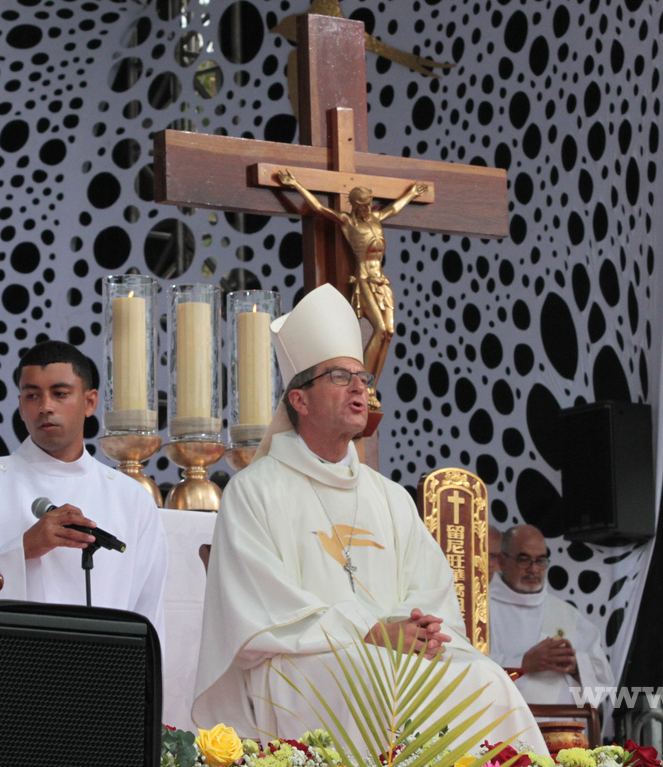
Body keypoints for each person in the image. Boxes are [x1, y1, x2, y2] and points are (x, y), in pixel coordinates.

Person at [194, 283, 544, 750]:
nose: (360, 388)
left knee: (487, 680)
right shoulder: (253, 491)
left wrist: (416, 629)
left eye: (363, 378)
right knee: (368, 673)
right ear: (299, 400)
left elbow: (432, 589)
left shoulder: (390, 497)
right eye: (340, 377)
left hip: (396, 658)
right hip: (304, 662)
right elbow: (260, 613)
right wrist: (371, 632)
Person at [0, 341, 167, 637]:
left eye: (60, 393)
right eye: (32, 395)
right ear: (20, 406)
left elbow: (149, 610)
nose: (45, 407)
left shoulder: (131, 499)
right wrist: (23, 549)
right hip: (2, 668)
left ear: (90, 402)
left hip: (109, 671)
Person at [275, 169, 427, 409]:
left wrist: (411, 193)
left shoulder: (376, 219)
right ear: (355, 205)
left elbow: (395, 208)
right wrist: (295, 184)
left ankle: (371, 386)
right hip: (364, 280)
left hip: (381, 281)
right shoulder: (347, 222)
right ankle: (362, 382)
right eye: (362, 205)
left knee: (389, 332)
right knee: (379, 328)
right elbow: (319, 208)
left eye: (368, 204)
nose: (367, 209)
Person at [487, 526, 614, 715]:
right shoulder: (480, 609)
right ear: (502, 560)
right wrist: (522, 664)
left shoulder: (567, 614)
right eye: (524, 560)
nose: (533, 569)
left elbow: (602, 682)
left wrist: (576, 667)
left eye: (540, 560)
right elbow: (467, 672)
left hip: (561, 731)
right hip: (502, 724)